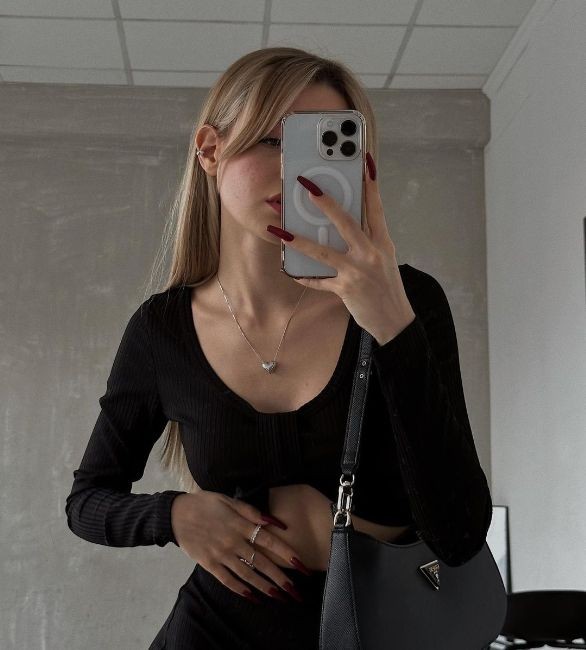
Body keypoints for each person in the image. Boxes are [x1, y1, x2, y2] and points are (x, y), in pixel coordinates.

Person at [65, 46, 493, 649]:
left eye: (325, 145)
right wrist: (176, 515)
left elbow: (460, 535)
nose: (297, 169)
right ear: (210, 150)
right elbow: (86, 502)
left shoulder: (408, 299)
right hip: (219, 628)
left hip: (382, 625)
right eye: (272, 140)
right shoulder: (162, 330)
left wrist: (391, 322)